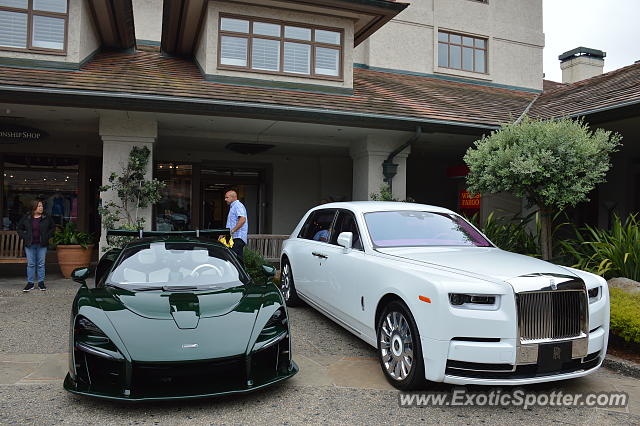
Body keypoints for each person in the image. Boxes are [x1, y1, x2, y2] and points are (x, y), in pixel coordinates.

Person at [16, 200, 55, 292]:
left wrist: (47, 236)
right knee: (31, 264)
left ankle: (41, 283)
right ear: (34, 208)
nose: (41, 208)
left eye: (41, 206)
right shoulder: (27, 217)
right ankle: (30, 283)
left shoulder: (46, 217)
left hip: (42, 245)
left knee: (41, 264)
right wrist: (25, 236)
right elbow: (19, 228)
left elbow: (53, 227)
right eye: (39, 206)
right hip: (30, 245)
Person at [221, 190, 248, 264]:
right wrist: (224, 233)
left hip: (237, 237)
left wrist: (232, 231)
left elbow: (242, 219)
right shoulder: (233, 207)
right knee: (238, 261)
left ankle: (238, 275)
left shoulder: (238, 205)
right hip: (235, 238)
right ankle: (241, 275)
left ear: (233, 197)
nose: (225, 199)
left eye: (227, 197)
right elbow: (231, 224)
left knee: (232, 260)